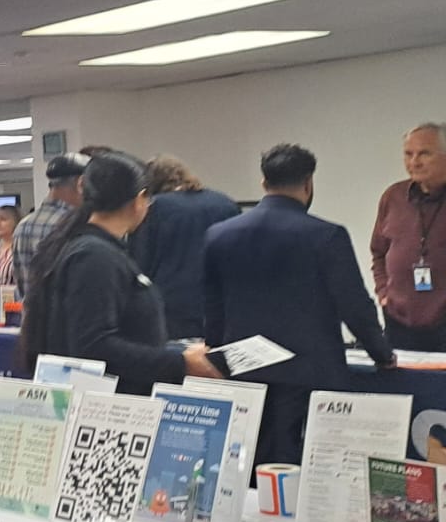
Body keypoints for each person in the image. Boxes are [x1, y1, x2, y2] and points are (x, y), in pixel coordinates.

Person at [204, 144, 394, 466]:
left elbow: (213, 307)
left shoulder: (218, 235)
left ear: (264, 182)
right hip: (309, 374)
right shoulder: (327, 235)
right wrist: (382, 354)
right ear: (308, 183)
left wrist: (217, 357)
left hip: (244, 369)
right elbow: (353, 305)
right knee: (300, 467)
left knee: (246, 463)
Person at [19, 150, 220, 396]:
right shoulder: (95, 256)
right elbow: (94, 345)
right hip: (111, 400)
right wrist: (180, 363)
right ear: (140, 199)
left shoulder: (94, 248)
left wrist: (175, 353)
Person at [129, 156, 236, 339]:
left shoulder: (153, 208)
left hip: (171, 305)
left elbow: (139, 260)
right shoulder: (225, 202)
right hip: (222, 301)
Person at [372, 122, 446, 352]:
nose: (414, 162)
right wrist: (384, 293)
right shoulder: (393, 196)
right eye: (408, 154)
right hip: (399, 322)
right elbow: (378, 252)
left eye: (424, 153)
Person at [14, 155, 85, 300]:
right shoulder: (75, 224)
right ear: (81, 183)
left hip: (32, 312)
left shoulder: (23, 225)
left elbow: (20, 283)